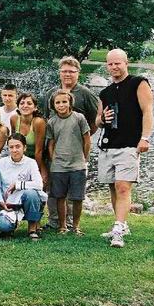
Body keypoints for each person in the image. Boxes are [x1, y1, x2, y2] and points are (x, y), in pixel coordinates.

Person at [96, 48, 154, 249]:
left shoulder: (139, 83)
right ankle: (121, 224)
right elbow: (97, 121)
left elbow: (148, 111)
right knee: (113, 187)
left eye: (117, 63)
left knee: (123, 186)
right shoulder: (105, 92)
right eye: (110, 64)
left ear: (126, 63)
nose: (114, 67)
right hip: (108, 146)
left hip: (130, 145)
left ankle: (118, 230)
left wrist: (145, 138)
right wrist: (102, 119)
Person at [41, 56, 99, 232]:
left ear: (78, 73)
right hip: (56, 149)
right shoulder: (51, 93)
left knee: (75, 191)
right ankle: (55, 221)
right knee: (55, 189)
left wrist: (82, 141)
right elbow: (46, 119)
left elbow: (95, 120)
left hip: (76, 152)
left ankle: (73, 223)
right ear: (59, 73)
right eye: (64, 71)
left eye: (71, 71)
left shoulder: (85, 94)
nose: (67, 74)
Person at [47, 90, 91, 236]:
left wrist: (84, 158)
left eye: (64, 102)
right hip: (58, 166)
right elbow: (51, 143)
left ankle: (76, 226)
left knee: (77, 197)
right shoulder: (52, 122)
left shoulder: (79, 118)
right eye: (58, 102)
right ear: (53, 105)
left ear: (70, 102)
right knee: (60, 197)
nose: (61, 105)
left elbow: (87, 139)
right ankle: (63, 226)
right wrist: (53, 159)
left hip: (78, 164)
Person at [0, 134, 47, 240]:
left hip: (26, 200)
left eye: (18, 146)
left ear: (24, 148)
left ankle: (32, 229)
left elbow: (39, 184)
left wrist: (18, 185)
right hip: (9, 203)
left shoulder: (31, 163)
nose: (14, 150)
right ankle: (10, 227)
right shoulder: (0, 163)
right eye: (11, 147)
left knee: (32, 193)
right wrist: (1, 202)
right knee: (4, 226)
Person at [10, 93, 48, 185]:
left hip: (37, 159)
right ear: (18, 106)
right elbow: (13, 143)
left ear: (35, 107)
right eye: (22, 103)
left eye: (29, 103)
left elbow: (39, 151)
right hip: (20, 159)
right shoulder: (14, 119)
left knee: (41, 182)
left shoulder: (38, 122)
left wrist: (36, 171)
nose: (25, 106)